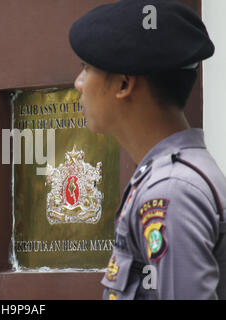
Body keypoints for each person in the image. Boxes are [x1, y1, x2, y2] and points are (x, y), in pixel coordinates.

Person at [68, 0, 226, 299]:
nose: (78, 83)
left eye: (87, 68)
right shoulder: (167, 178)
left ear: (124, 84)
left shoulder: (170, 190)